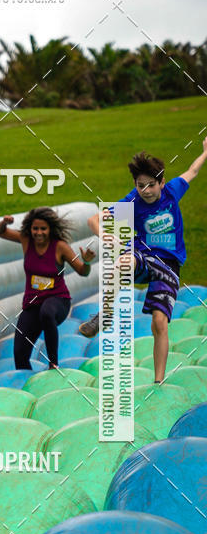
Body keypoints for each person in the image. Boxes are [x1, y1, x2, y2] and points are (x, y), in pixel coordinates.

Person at [79, 136, 207, 383]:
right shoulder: (132, 202)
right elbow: (93, 220)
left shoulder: (172, 192)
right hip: (143, 253)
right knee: (122, 263)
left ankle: (159, 381)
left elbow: (192, 170)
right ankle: (104, 315)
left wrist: (204, 151)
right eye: (140, 185)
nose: (146, 191)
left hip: (169, 263)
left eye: (150, 185)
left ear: (162, 183)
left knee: (159, 323)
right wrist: (105, 236)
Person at [0, 207, 95, 369]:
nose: (39, 233)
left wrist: (87, 262)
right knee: (20, 352)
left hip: (58, 301)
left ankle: (53, 363)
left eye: (43, 229)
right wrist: (4, 222)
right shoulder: (27, 240)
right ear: (30, 228)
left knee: (47, 312)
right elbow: (0, 232)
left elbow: (83, 272)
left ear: (50, 229)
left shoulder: (59, 247)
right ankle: (26, 381)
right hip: (33, 304)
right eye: (35, 228)